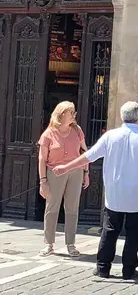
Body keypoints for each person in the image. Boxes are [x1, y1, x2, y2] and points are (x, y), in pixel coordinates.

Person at [53, 101, 138, 280]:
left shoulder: (110, 136)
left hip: (115, 194)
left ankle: (103, 267)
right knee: (134, 233)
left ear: (121, 117)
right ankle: (128, 269)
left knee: (109, 231)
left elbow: (89, 156)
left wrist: (66, 167)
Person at [37, 101, 89, 257]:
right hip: (55, 172)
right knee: (52, 207)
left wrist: (86, 172)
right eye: (71, 112)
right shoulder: (49, 133)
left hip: (76, 171)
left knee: (72, 207)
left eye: (74, 112)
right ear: (61, 114)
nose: (74, 115)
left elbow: (84, 152)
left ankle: (71, 244)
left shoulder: (77, 130)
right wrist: (43, 181)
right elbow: (41, 159)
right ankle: (49, 244)